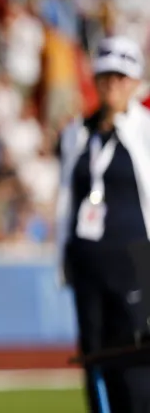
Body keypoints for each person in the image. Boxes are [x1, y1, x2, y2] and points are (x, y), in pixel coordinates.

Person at [58, 35, 150, 413]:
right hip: (87, 265)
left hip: (135, 262)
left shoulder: (145, 130)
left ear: (135, 82)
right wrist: (62, 257)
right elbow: (66, 199)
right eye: (106, 76)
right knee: (94, 360)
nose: (112, 84)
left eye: (120, 77)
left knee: (136, 357)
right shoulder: (77, 134)